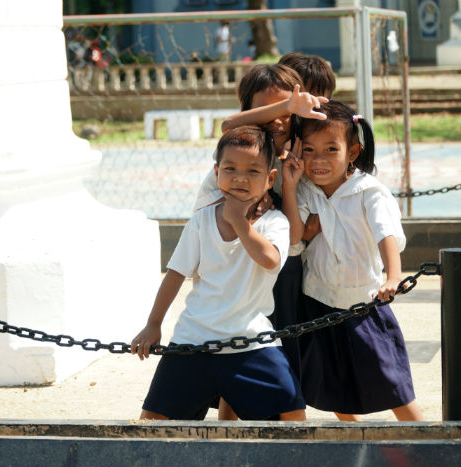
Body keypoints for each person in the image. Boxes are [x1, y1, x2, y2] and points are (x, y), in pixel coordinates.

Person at [131, 126, 306, 422]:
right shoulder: (201, 221)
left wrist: (239, 220)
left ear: (270, 179)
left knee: (292, 414)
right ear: (216, 172)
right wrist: (153, 324)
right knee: (152, 422)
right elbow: (175, 275)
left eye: (253, 171)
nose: (240, 178)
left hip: (252, 342)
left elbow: (270, 260)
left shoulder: (275, 222)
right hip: (193, 340)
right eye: (230, 168)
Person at [192, 63, 327, 420]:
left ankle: (287, 432)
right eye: (269, 110)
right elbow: (228, 125)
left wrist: (290, 185)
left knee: (276, 361)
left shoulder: (296, 158)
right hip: (233, 270)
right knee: (233, 354)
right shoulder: (239, 158)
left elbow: (293, 239)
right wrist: (288, 105)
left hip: (281, 272)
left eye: (287, 109)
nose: (279, 119)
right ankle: (229, 429)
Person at [280, 100, 424, 422]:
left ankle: (425, 437)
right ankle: (353, 438)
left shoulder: (368, 191)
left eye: (331, 149)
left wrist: (393, 276)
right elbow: (293, 237)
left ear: (353, 152)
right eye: (309, 150)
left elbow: (386, 234)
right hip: (318, 301)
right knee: (333, 383)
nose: (319, 160)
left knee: (392, 384)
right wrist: (289, 184)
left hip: (362, 304)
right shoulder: (306, 189)